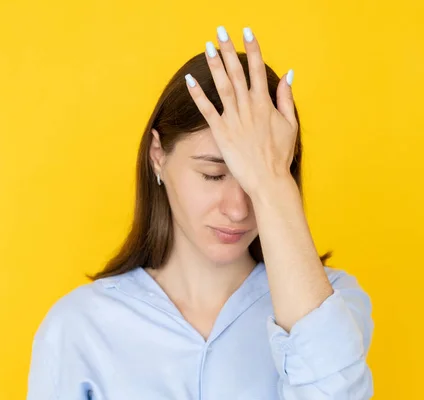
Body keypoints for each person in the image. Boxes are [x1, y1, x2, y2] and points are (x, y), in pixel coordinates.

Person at [27, 26, 374, 399]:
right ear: (157, 155)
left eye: (254, 179)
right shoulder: (78, 327)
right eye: (213, 174)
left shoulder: (333, 301)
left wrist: (271, 180)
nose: (238, 208)